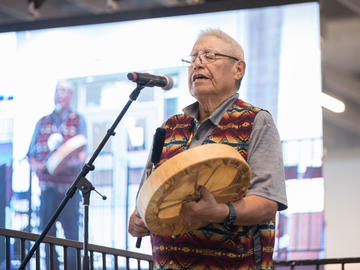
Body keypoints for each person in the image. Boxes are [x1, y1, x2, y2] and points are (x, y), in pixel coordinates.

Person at [128, 28, 288, 270]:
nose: (198, 64)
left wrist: (220, 212)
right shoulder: (170, 127)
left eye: (210, 56)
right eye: (193, 58)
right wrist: (138, 220)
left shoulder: (255, 121)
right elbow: (147, 198)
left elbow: (267, 202)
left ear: (238, 69)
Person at [27, 80, 87, 269]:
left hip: (68, 191)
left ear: (71, 95)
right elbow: (30, 154)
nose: (59, 94)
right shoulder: (43, 121)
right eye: (57, 91)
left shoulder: (78, 120)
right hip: (47, 191)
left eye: (63, 91)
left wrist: (67, 164)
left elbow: (83, 155)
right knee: (47, 236)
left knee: (71, 237)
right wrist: (37, 166)